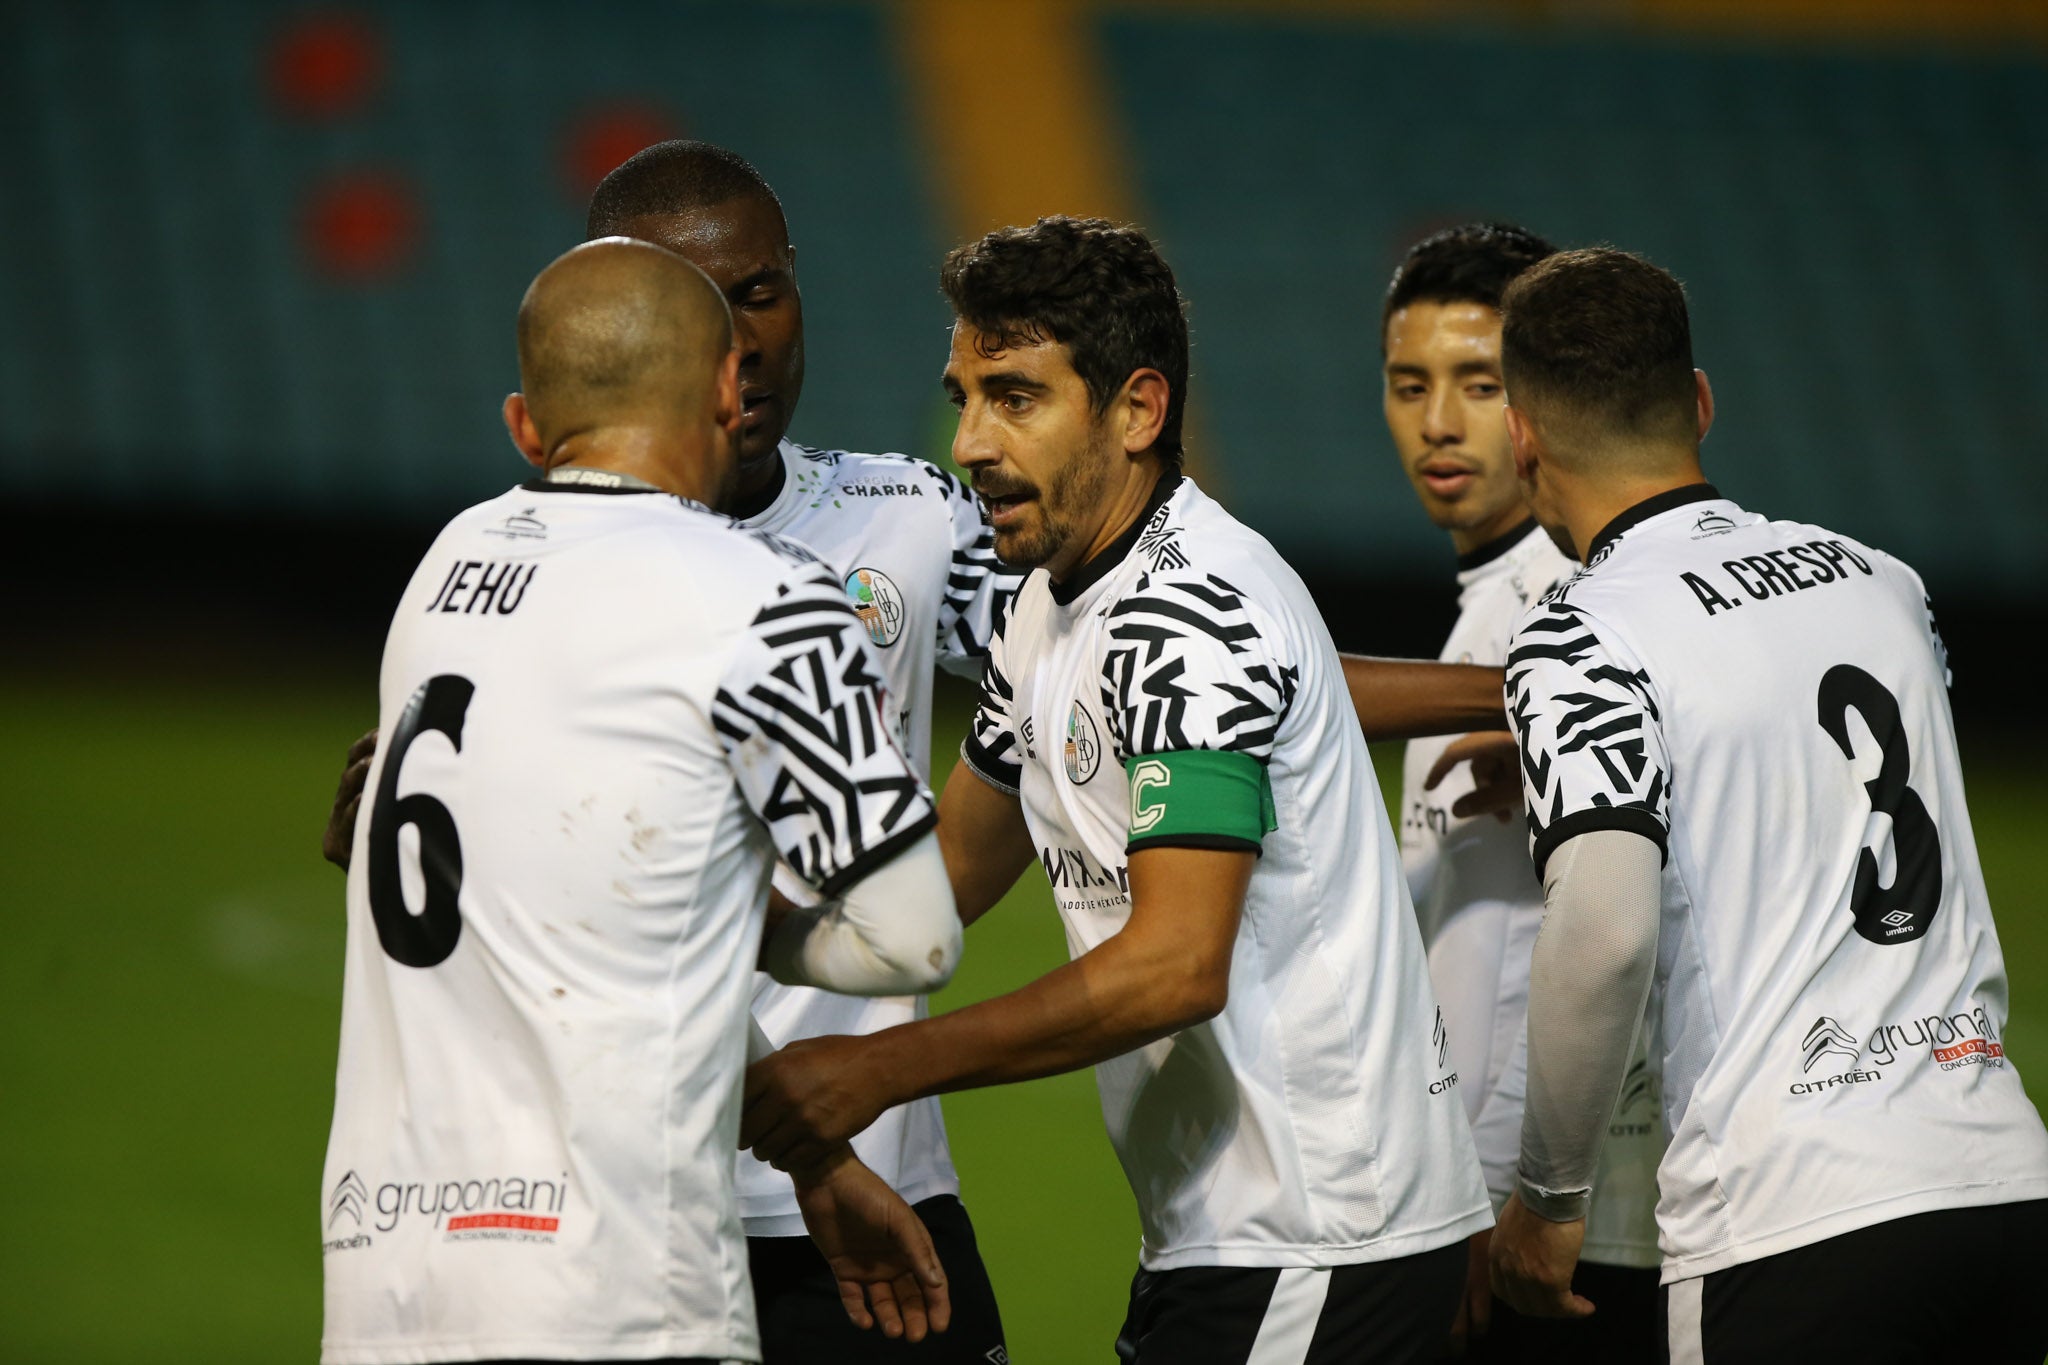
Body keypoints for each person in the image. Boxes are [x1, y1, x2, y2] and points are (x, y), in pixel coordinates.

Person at [742, 216, 1494, 1362]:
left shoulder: (1188, 617)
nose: (970, 443)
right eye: (964, 397)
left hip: (1317, 1236)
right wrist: (755, 927)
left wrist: (875, 1067)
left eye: (1014, 397)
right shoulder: (1046, 605)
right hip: (1228, 1233)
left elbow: (1174, 965)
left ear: (1136, 410)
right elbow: (942, 875)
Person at [319, 238, 963, 1365]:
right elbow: (912, 940)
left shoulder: (447, 568)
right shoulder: (766, 599)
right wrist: (740, 924)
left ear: (527, 426)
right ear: (726, 386)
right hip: (611, 1295)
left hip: (386, 1288)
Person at [1483, 247, 2048, 1362]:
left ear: (1520, 433)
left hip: (1791, 1225)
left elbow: (1601, 934)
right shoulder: (1883, 581)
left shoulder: (1579, 636)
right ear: (1697, 402)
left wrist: (1548, 1198)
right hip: (2003, 1189)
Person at [1380, 224, 1664, 1362]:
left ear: (1539, 398)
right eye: (1409, 384)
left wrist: (1488, 1190)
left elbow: (1543, 950)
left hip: (1545, 1223)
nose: (1437, 422)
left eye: (1478, 383)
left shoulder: (1555, 619)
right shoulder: (1505, 604)